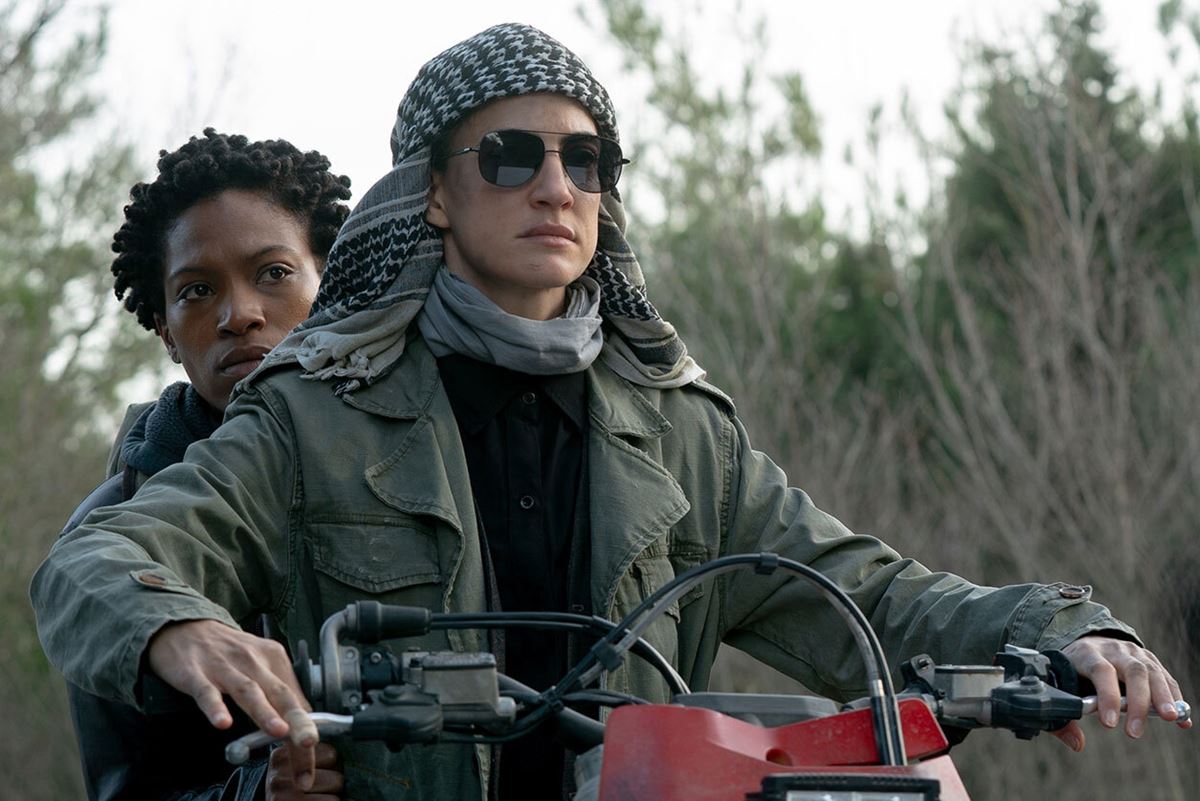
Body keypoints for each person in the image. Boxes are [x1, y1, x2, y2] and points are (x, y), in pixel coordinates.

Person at [33, 25, 1189, 801]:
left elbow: (873, 596)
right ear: (434, 192)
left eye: (585, 161)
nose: (555, 185)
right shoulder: (311, 417)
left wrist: (1067, 632)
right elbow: (99, 560)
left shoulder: (683, 433)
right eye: (511, 155)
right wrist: (178, 627)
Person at [59, 128, 352, 801]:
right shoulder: (111, 533)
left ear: (328, 283)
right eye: (197, 290)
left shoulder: (412, 459)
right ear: (165, 330)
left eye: (273, 273)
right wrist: (254, 794)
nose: (239, 314)